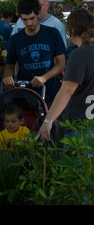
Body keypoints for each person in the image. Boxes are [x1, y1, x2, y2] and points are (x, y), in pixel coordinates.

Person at [37, 9, 94, 141]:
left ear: (72, 31)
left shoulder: (80, 54)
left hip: (80, 126)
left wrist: (48, 120)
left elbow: (67, 91)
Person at [3, 0, 66, 106]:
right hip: (26, 93)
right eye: (25, 20)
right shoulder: (15, 39)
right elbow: (9, 66)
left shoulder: (53, 34)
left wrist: (44, 78)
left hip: (50, 93)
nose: (29, 23)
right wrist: (8, 78)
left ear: (38, 14)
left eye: (32, 18)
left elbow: (61, 64)